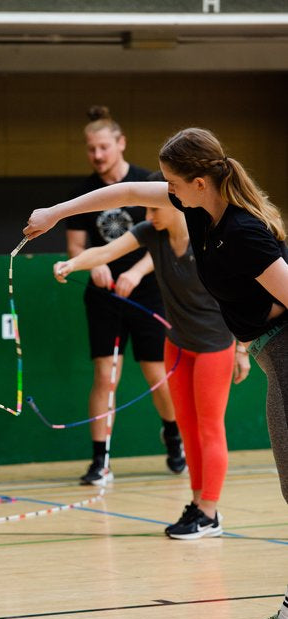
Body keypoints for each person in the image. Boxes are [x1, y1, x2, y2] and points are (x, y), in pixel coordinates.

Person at [24, 126, 288, 619]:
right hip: (269, 353)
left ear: (197, 181)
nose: (161, 191)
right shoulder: (197, 210)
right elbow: (121, 193)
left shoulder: (243, 232)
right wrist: (55, 213)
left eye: (170, 181)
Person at [54, 171, 251, 539]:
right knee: (189, 429)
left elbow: (241, 292)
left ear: (176, 206)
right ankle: (198, 504)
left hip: (213, 346)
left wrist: (242, 348)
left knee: (210, 428)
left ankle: (210, 511)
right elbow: (106, 251)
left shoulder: (208, 237)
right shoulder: (151, 233)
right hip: (177, 344)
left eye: (152, 207)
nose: (148, 214)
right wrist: (73, 264)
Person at [66, 105, 185, 486]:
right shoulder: (82, 193)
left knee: (156, 375)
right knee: (105, 376)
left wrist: (134, 271)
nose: (97, 155)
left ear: (120, 143)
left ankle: (173, 435)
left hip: (148, 294)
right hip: (103, 298)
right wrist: (90, 265)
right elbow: (76, 247)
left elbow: (165, 240)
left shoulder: (146, 184)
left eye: (103, 147)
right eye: (90, 149)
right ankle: (100, 460)